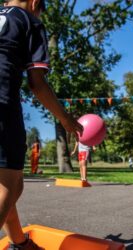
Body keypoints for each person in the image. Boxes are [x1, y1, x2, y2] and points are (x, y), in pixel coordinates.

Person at [0, 1, 83, 249]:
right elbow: (37, 83)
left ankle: (20, 243)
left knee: (8, 184)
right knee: (9, 184)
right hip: (2, 101)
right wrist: (66, 118)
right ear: (35, 3)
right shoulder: (30, 20)